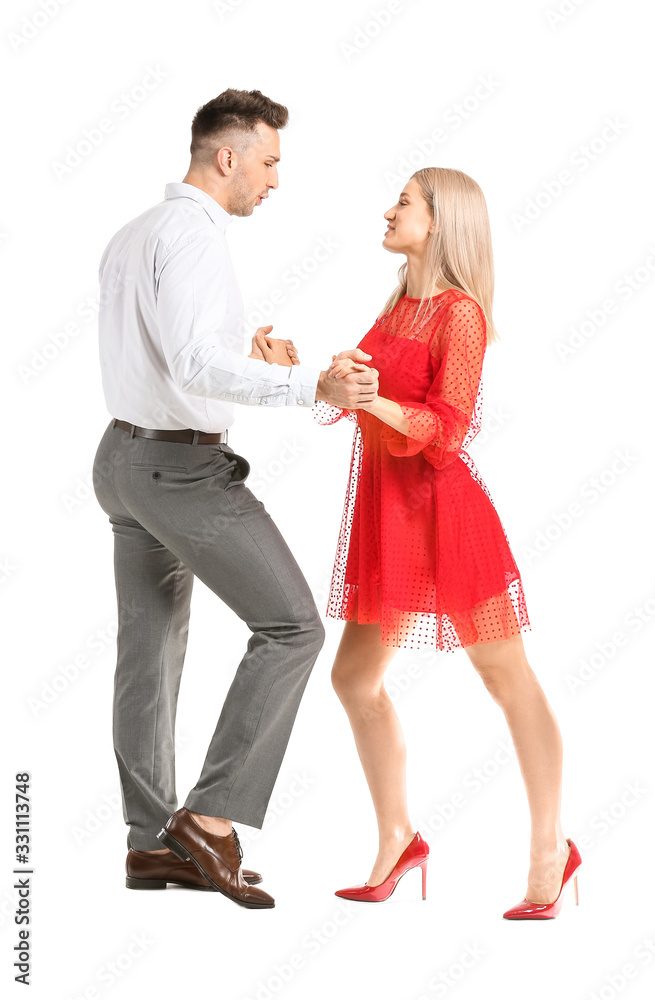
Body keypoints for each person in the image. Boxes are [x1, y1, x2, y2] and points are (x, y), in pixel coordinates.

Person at [91, 88, 378, 909]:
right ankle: (209, 824)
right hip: (178, 471)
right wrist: (305, 381)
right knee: (292, 626)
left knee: (147, 651)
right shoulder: (192, 235)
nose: (274, 180)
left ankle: (151, 845)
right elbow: (189, 366)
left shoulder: (137, 232)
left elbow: (163, 354)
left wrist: (240, 354)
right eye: (270, 161)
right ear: (228, 155)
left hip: (123, 458)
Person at [312, 167, 581, 919]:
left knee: (504, 678)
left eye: (403, 201)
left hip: (441, 513)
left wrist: (376, 402)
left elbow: (448, 427)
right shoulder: (400, 300)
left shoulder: (458, 313)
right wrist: (316, 374)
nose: (388, 210)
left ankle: (549, 851)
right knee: (354, 679)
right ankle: (397, 839)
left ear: (438, 221)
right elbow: (359, 385)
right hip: (386, 518)